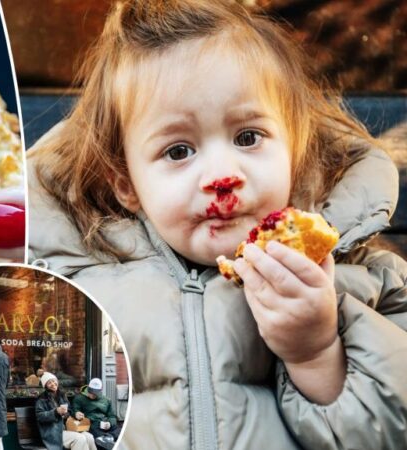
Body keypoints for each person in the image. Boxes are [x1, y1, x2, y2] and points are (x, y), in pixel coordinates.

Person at [27, 0, 407, 449]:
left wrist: (316, 351)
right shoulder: (71, 285)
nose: (221, 176)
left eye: (248, 137)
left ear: (295, 149)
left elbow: (388, 434)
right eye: (178, 151)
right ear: (127, 184)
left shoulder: (366, 279)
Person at [36, 372, 97, 450]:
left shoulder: (61, 395)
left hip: (68, 428)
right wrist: (55, 412)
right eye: (49, 382)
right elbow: (40, 416)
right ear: (45, 385)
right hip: (53, 433)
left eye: (54, 381)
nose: (53, 384)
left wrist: (75, 414)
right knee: (79, 438)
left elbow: (70, 411)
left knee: (89, 437)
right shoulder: (41, 399)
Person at [72, 379, 121, 449]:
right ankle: (106, 439)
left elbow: (112, 416)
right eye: (90, 391)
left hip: (104, 423)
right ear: (88, 388)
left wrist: (109, 423)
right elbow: (73, 411)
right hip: (90, 423)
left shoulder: (107, 400)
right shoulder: (79, 399)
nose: (92, 394)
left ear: (100, 391)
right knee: (94, 431)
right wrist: (76, 413)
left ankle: (107, 438)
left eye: (95, 393)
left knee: (120, 430)